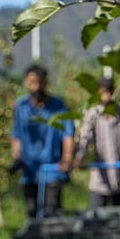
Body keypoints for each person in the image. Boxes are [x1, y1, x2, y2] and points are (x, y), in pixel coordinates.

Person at [10, 64, 75, 218]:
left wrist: (67, 159)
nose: (36, 87)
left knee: (51, 211)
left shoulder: (58, 106)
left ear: (45, 83)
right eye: (32, 82)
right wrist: (17, 157)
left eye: (39, 82)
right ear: (26, 82)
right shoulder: (21, 106)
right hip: (30, 169)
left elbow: (68, 134)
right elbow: (17, 134)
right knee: (32, 211)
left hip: (52, 169)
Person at [73, 76, 120, 207]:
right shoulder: (93, 115)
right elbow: (84, 139)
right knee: (97, 219)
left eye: (108, 92)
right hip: (99, 180)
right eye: (102, 93)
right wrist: (79, 159)